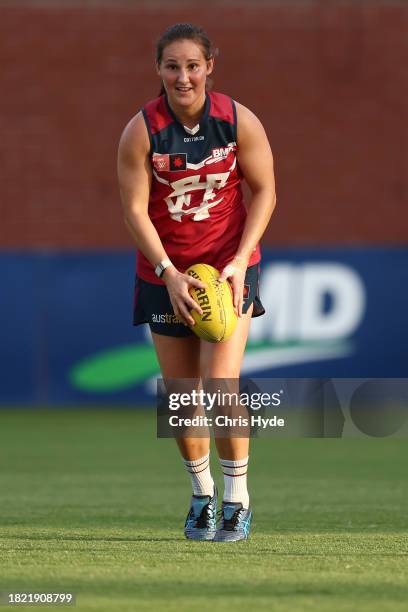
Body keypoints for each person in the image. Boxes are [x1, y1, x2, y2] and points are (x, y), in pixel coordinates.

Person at [117, 23, 276, 542]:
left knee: (220, 385)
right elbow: (135, 210)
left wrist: (237, 262)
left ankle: (237, 499)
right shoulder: (141, 130)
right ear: (157, 69)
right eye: (171, 66)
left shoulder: (237, 120)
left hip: (229, 269)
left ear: (210, 66)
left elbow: (265, 191)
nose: (182, 76)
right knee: (182, 396)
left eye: (191, 65)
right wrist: (167, 273)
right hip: (164, 271)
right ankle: (202, 495)